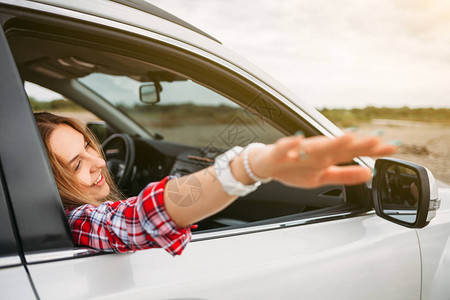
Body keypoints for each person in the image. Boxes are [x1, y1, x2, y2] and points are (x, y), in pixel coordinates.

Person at [34, 112, 397, 256]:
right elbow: (137, 219)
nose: (100, 161)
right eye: (76, 164)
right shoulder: (76, 220)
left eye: (87, 144)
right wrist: (249, 167)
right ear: (44, 181)